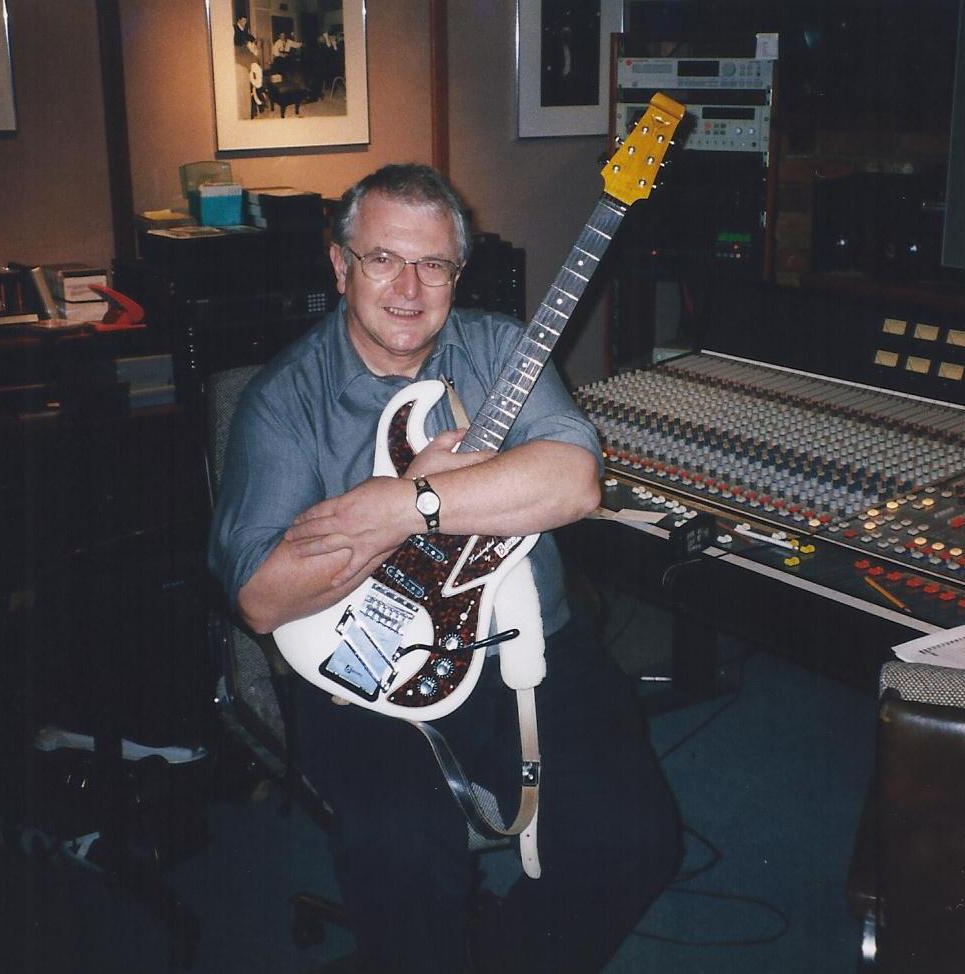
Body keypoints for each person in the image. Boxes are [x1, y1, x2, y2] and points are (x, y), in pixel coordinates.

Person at [208, 164, 681, 973]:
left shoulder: (500, 348)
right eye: (383, 259)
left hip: (526, 650)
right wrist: (388, 513)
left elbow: (574, 483)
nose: (408, 288)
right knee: (404, 854)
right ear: (339, 266)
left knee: (635, 840)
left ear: (458, 273)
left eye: (433, 264)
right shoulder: (286, 399)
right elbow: (259, 597)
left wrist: (406, 504)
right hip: (365, 663)